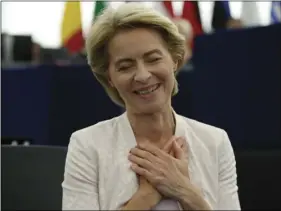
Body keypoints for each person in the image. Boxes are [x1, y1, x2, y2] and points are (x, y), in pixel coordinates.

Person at [62, 3, 241, 210]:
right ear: (109, 77)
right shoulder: (87, 145)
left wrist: (184, 190)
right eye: (125, 66)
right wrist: (147, 196)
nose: (143, 75)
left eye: (153, 59)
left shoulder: (214, 142)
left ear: (175, 60)